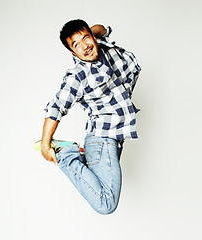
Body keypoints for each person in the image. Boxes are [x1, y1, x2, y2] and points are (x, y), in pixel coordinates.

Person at [36, 19, 141, 214]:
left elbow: (102, 28)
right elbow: (56, 107)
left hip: (114, 140)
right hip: (102, 139)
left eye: (86, 39)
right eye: (76, 45)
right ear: (72, 52)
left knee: (103, 194)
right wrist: (45, 144)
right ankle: (65, 155)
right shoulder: (78, 75)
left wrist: (88, 36)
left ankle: (82, 155)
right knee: (106, 204)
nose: (84, 47)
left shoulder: (98, 43)